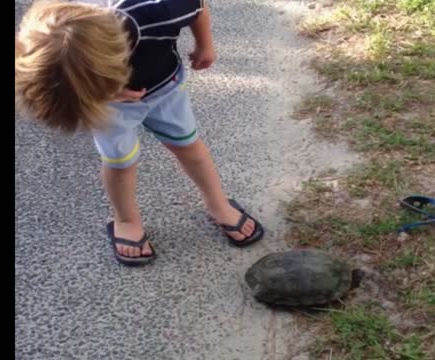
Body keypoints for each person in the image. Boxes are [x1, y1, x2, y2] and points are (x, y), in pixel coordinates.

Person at [15, 0, 264, 266]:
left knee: (188, 145)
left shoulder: (156, 12)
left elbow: (198, 6)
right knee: (120, 162)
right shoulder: (40, 42)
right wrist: (105, 95)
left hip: (164, 89)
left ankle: (218, 204)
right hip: (110, 107)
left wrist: (205, 45)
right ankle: (126, 220)